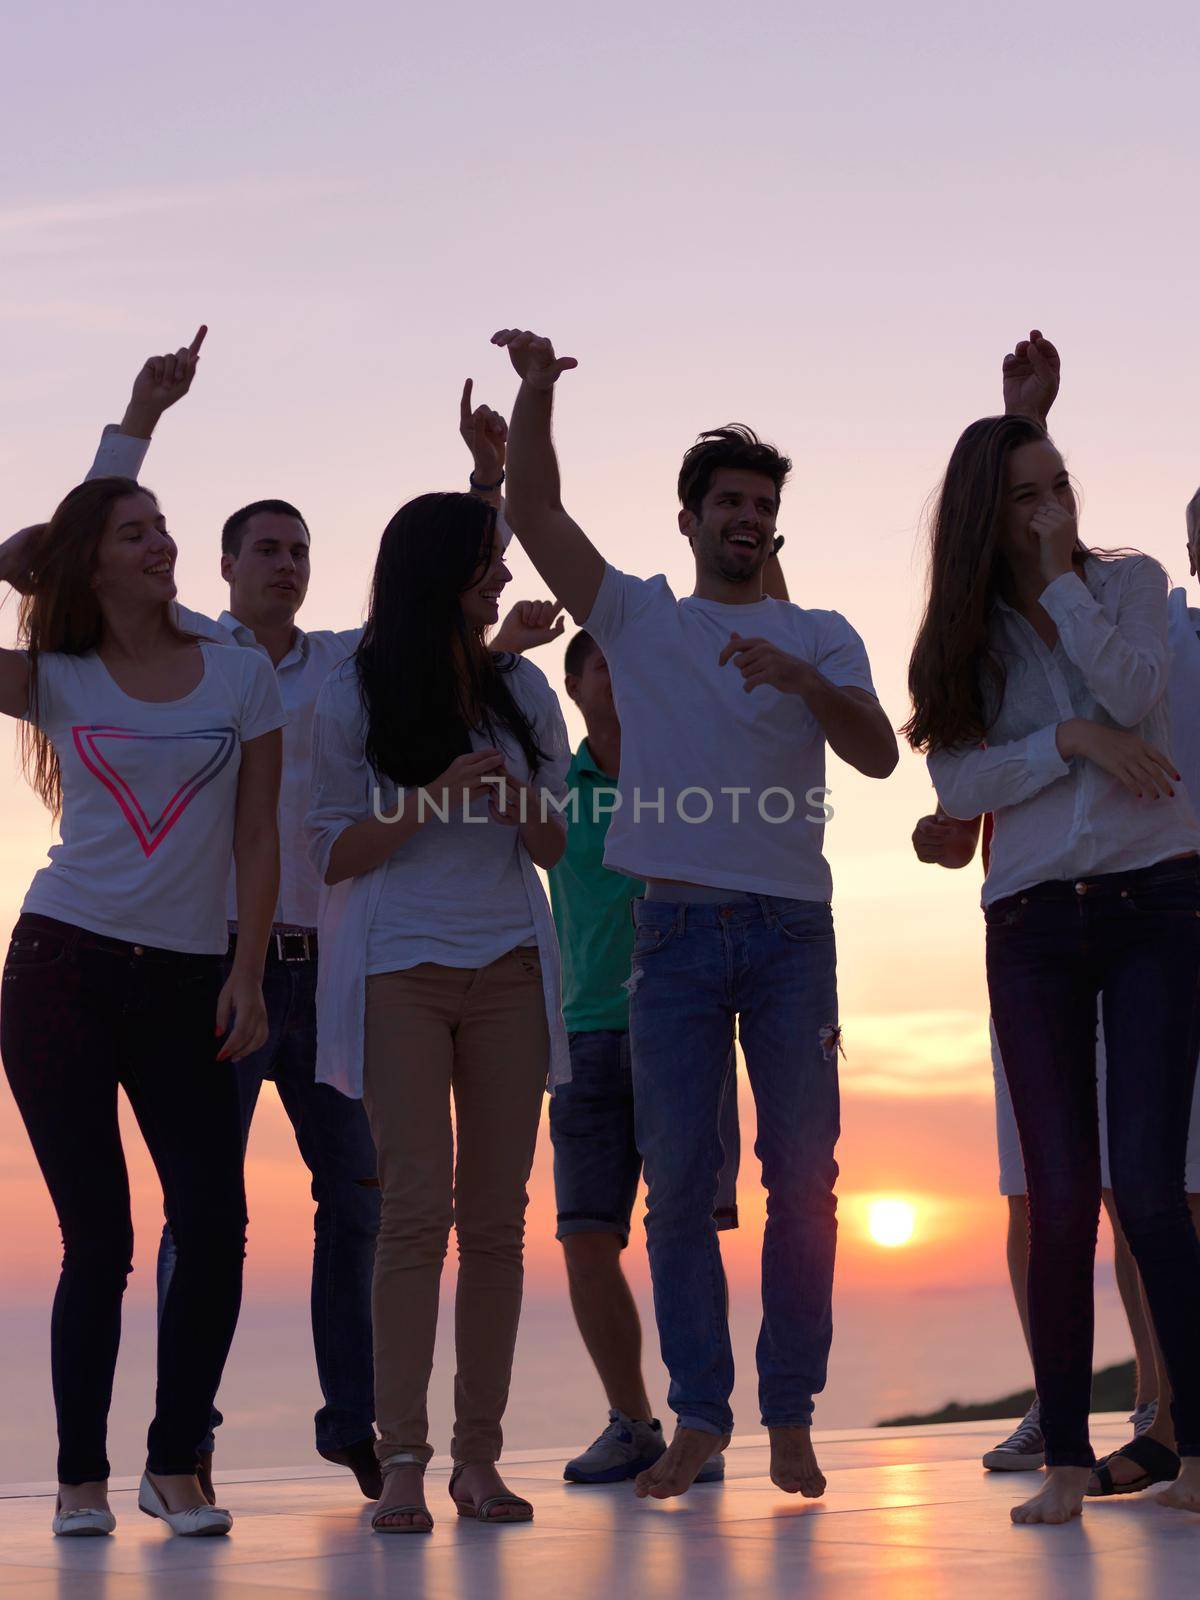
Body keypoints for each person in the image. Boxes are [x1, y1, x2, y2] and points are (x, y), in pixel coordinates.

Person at [82, 352, 532, 1504]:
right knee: (205, 1205)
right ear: (223, 569)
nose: (285, 564)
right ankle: (185, 1440)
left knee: (367, 1197)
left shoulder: (344, 668)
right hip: (222, 971)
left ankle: (360, 1425)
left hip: (337, 969)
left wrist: (485, 482)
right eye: (265, 549)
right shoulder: (194, 655)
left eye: (300, 550)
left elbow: (435, 605)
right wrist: (136, 422)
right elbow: (95, 569)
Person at [491, 326, 899, 1501]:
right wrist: (534, 398)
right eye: (727, 499)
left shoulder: (823, 632)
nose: (747, 516)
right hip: (670, 937)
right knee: (674, 1183)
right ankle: (702, 1413)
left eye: (762, 502)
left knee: (805, 1176)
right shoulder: (641, 621)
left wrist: (810, 682)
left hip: (787, 936)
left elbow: (875, 758)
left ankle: (791, 1412)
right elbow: (537, 509)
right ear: (690, 517)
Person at [0, 337, 285, 1539]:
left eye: (166, 524)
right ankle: (78, 1477)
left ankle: (180, 1463)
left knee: (214, 1221)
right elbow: (37, 558)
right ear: (88, 563)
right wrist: (123, 435)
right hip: (61, 967)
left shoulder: (238, 672)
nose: (161, 541)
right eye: (136, 531)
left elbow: (260, 842)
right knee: (100, 1237)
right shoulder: (56, 676)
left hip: (187, 982)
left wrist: (249, 973)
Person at [905, 390, 1200, 1523]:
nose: (1048, 511)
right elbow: (958, 783)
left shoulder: (1127, 586)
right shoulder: (959, 638)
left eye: (1059, 487)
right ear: (986, 514)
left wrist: (1064, 578)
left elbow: (1136, 687)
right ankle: (1068, 1460)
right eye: (1024, 497)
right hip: (1030, 920)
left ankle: (1193, 1441)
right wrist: (1071, 741)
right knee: (1061, 1192)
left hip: (1154, 902)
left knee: (1149, 1189)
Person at [306, 484, 571, 1533]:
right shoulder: (353, 692)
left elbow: (556, 845)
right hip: (398, 972)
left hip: (509, 965)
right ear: (440, 575)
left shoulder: (525, 689)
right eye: (484, 560)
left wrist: (515, 801)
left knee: (498, 1222)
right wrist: (428, 800)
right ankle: (404, 1459)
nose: (503, 575)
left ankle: (479, 1460)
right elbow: (330, 849)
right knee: (414, 1210)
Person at [548, 626, 743, 1485]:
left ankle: (700, 1419)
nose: (622, 681)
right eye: (604, 667)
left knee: (686, 1232)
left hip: (686, 1025)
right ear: (573, 683)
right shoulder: (556, 788)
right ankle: (633, 1422)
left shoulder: (689, 773)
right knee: (585, 1237)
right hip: (583, 1030)